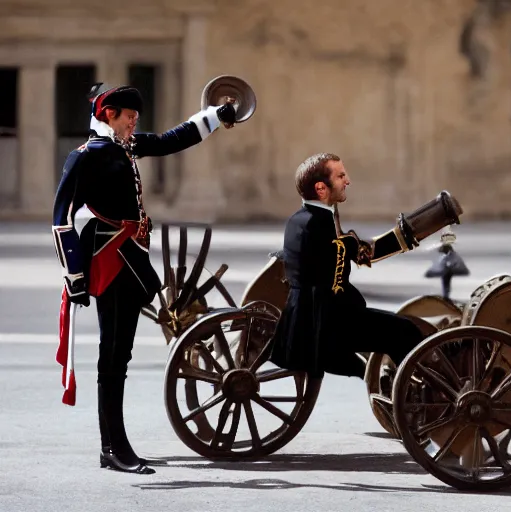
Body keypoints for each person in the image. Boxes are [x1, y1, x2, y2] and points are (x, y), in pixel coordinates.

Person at [51, 83, 238, 475]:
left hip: (132, 259)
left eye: (136, 118)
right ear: (108, 115)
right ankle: (112, 448)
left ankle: (115, 445)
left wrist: (216, 117)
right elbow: (61, 219)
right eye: (129, 117)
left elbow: (173, 139)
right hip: (109, 260)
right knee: (112, 358)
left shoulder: (125, 147)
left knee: (122, 356)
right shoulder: (84, 157)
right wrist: (75, 277)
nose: (135, 124)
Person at [269, 152, 428, 380]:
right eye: (340, 176)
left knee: (393, 327)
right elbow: (341, 274)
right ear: (321, 189)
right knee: (405, 330)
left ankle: (398, 380)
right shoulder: (320, 226)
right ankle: (424, 390)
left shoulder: (299, 219)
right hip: (327, 326)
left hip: (301, 321)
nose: (348, 181)